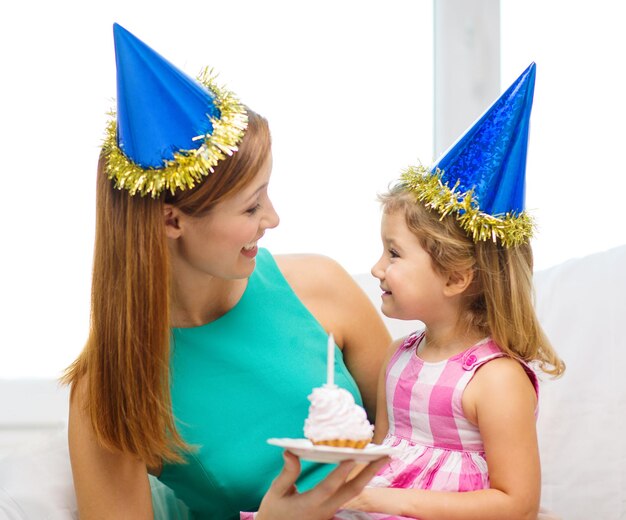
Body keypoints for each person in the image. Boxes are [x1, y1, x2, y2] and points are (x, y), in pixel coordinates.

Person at [63, 23, 391, 519]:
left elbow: (420, 436)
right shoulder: (109, 386)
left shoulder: (321, 287)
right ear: (172, 220)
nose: (273, 219)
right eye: (251, 207)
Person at [336, 63, 565, 520]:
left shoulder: (496, 380)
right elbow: (382, 457)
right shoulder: (398, 355)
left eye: (394, 254)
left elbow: (516, 502)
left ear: (456, 277)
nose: (377, 268)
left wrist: (388, 499)